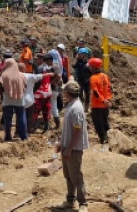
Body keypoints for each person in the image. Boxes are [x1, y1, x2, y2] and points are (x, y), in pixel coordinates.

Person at [56, 81, 89, 212]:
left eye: (64, 91)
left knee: (76, 176)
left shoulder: (76, 109)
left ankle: (83, 203)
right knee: (68, 175)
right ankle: (70, 200)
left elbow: (77, 131)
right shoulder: (71, 105)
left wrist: (69, 149)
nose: (63, 93)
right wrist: (61, 142)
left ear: (68, 93)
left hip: (73, 148)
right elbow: (68, 129)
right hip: (67, 146)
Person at [0, 58, 28, 141]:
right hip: (19, 98)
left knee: (7, 119)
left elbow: (0, 88)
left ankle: (8, 136)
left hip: (7, 98)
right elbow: (25, 86)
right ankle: (23, 137)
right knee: (21, 117)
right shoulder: (22, 75)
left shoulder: (4, 75)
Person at [88, 58, 112, 144]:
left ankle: (103, 141)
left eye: (90, 66)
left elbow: (95, 92)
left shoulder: (93, 78)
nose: (89, 68)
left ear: (94, 67)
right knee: (105, 122)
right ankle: (109, 138)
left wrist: (103, 100)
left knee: (98, 124)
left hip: (97, 106)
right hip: (105, 105)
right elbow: (110, 89)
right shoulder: (105, 76)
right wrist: (107, 100)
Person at [34, 55, 54, 133]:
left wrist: (34, 90)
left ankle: (33, 127)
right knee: (45, 109)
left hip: (40, 93)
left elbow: (38, 81)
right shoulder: (49, 68)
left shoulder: (40, 68)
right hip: (47, 92)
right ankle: (46, 127)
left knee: (36, 110)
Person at [48, 47, 64, 127]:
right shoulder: (58, 63)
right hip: (56, 87)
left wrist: (51, 82)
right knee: (53, 103)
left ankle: (55, 121)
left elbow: (58, 75)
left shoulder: (54, 64)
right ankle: (53, 119)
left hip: (53, 87)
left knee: (52, 104)